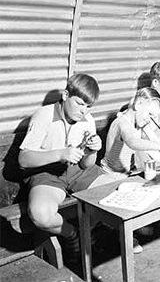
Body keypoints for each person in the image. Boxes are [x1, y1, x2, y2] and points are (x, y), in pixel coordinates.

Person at [18, 73, 110, 264]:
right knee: (41, 215)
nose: (83, 111)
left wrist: (92, 151)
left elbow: (86, 165)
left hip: (78, 171)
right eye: (79, 103)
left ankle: (87, 231)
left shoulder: (88, 120)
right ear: (66, 95)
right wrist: (60, 154)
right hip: (47, 173)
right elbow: (24, 159)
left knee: (114, 193)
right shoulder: (45, 114)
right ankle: (72, 234)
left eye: (88, 106)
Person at [101, 87, 160, 175]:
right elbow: (132, 142)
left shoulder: (140, 120)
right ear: (138, 104)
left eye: (153, 117)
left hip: (127, 173)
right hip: (111, 175)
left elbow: (154, 139)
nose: (150, 120)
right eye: (150, 114)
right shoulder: (122, 122)